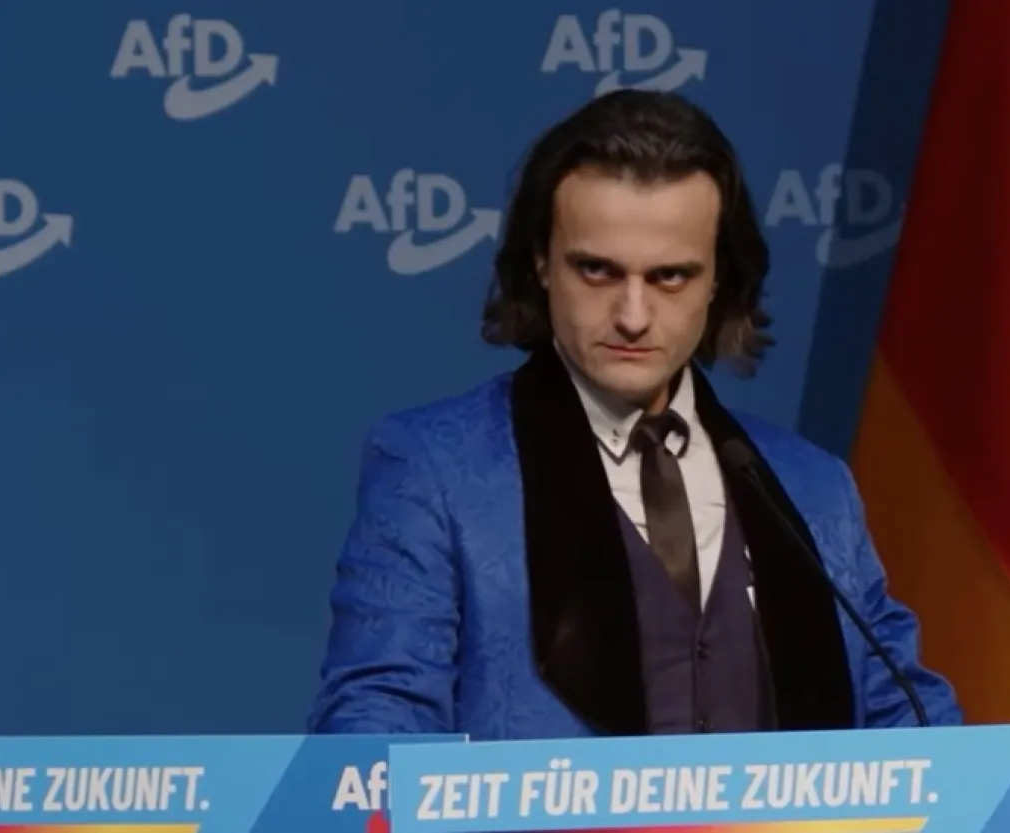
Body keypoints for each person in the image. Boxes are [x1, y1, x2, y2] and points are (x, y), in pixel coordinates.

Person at [308, 90, 961, 739]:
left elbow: (916, 729)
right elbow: (374, 727)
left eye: (670, 276)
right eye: (597, 270)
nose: (632, 316)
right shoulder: (433, 468)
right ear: (541, 263)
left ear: (718, 279)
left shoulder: (815, 488)